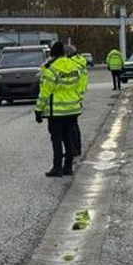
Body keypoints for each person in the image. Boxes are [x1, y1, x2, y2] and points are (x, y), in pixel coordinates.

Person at [35, 42, 82, 177]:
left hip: (57, 111)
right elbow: (79, 86)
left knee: (56, 138)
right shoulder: (74, 66)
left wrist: (38, 110)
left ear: (52, 54)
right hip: (72, 108)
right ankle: (68, 167)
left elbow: (45, 92)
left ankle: (57, 167)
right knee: (68, 137)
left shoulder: (51, 69)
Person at [66, 44, 88, 156]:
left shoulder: (72, 64)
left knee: (71, 126)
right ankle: (76, 148)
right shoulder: (80, 62)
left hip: (72, 95)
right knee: (74, 124)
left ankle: (74, 149)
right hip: (78, 95)